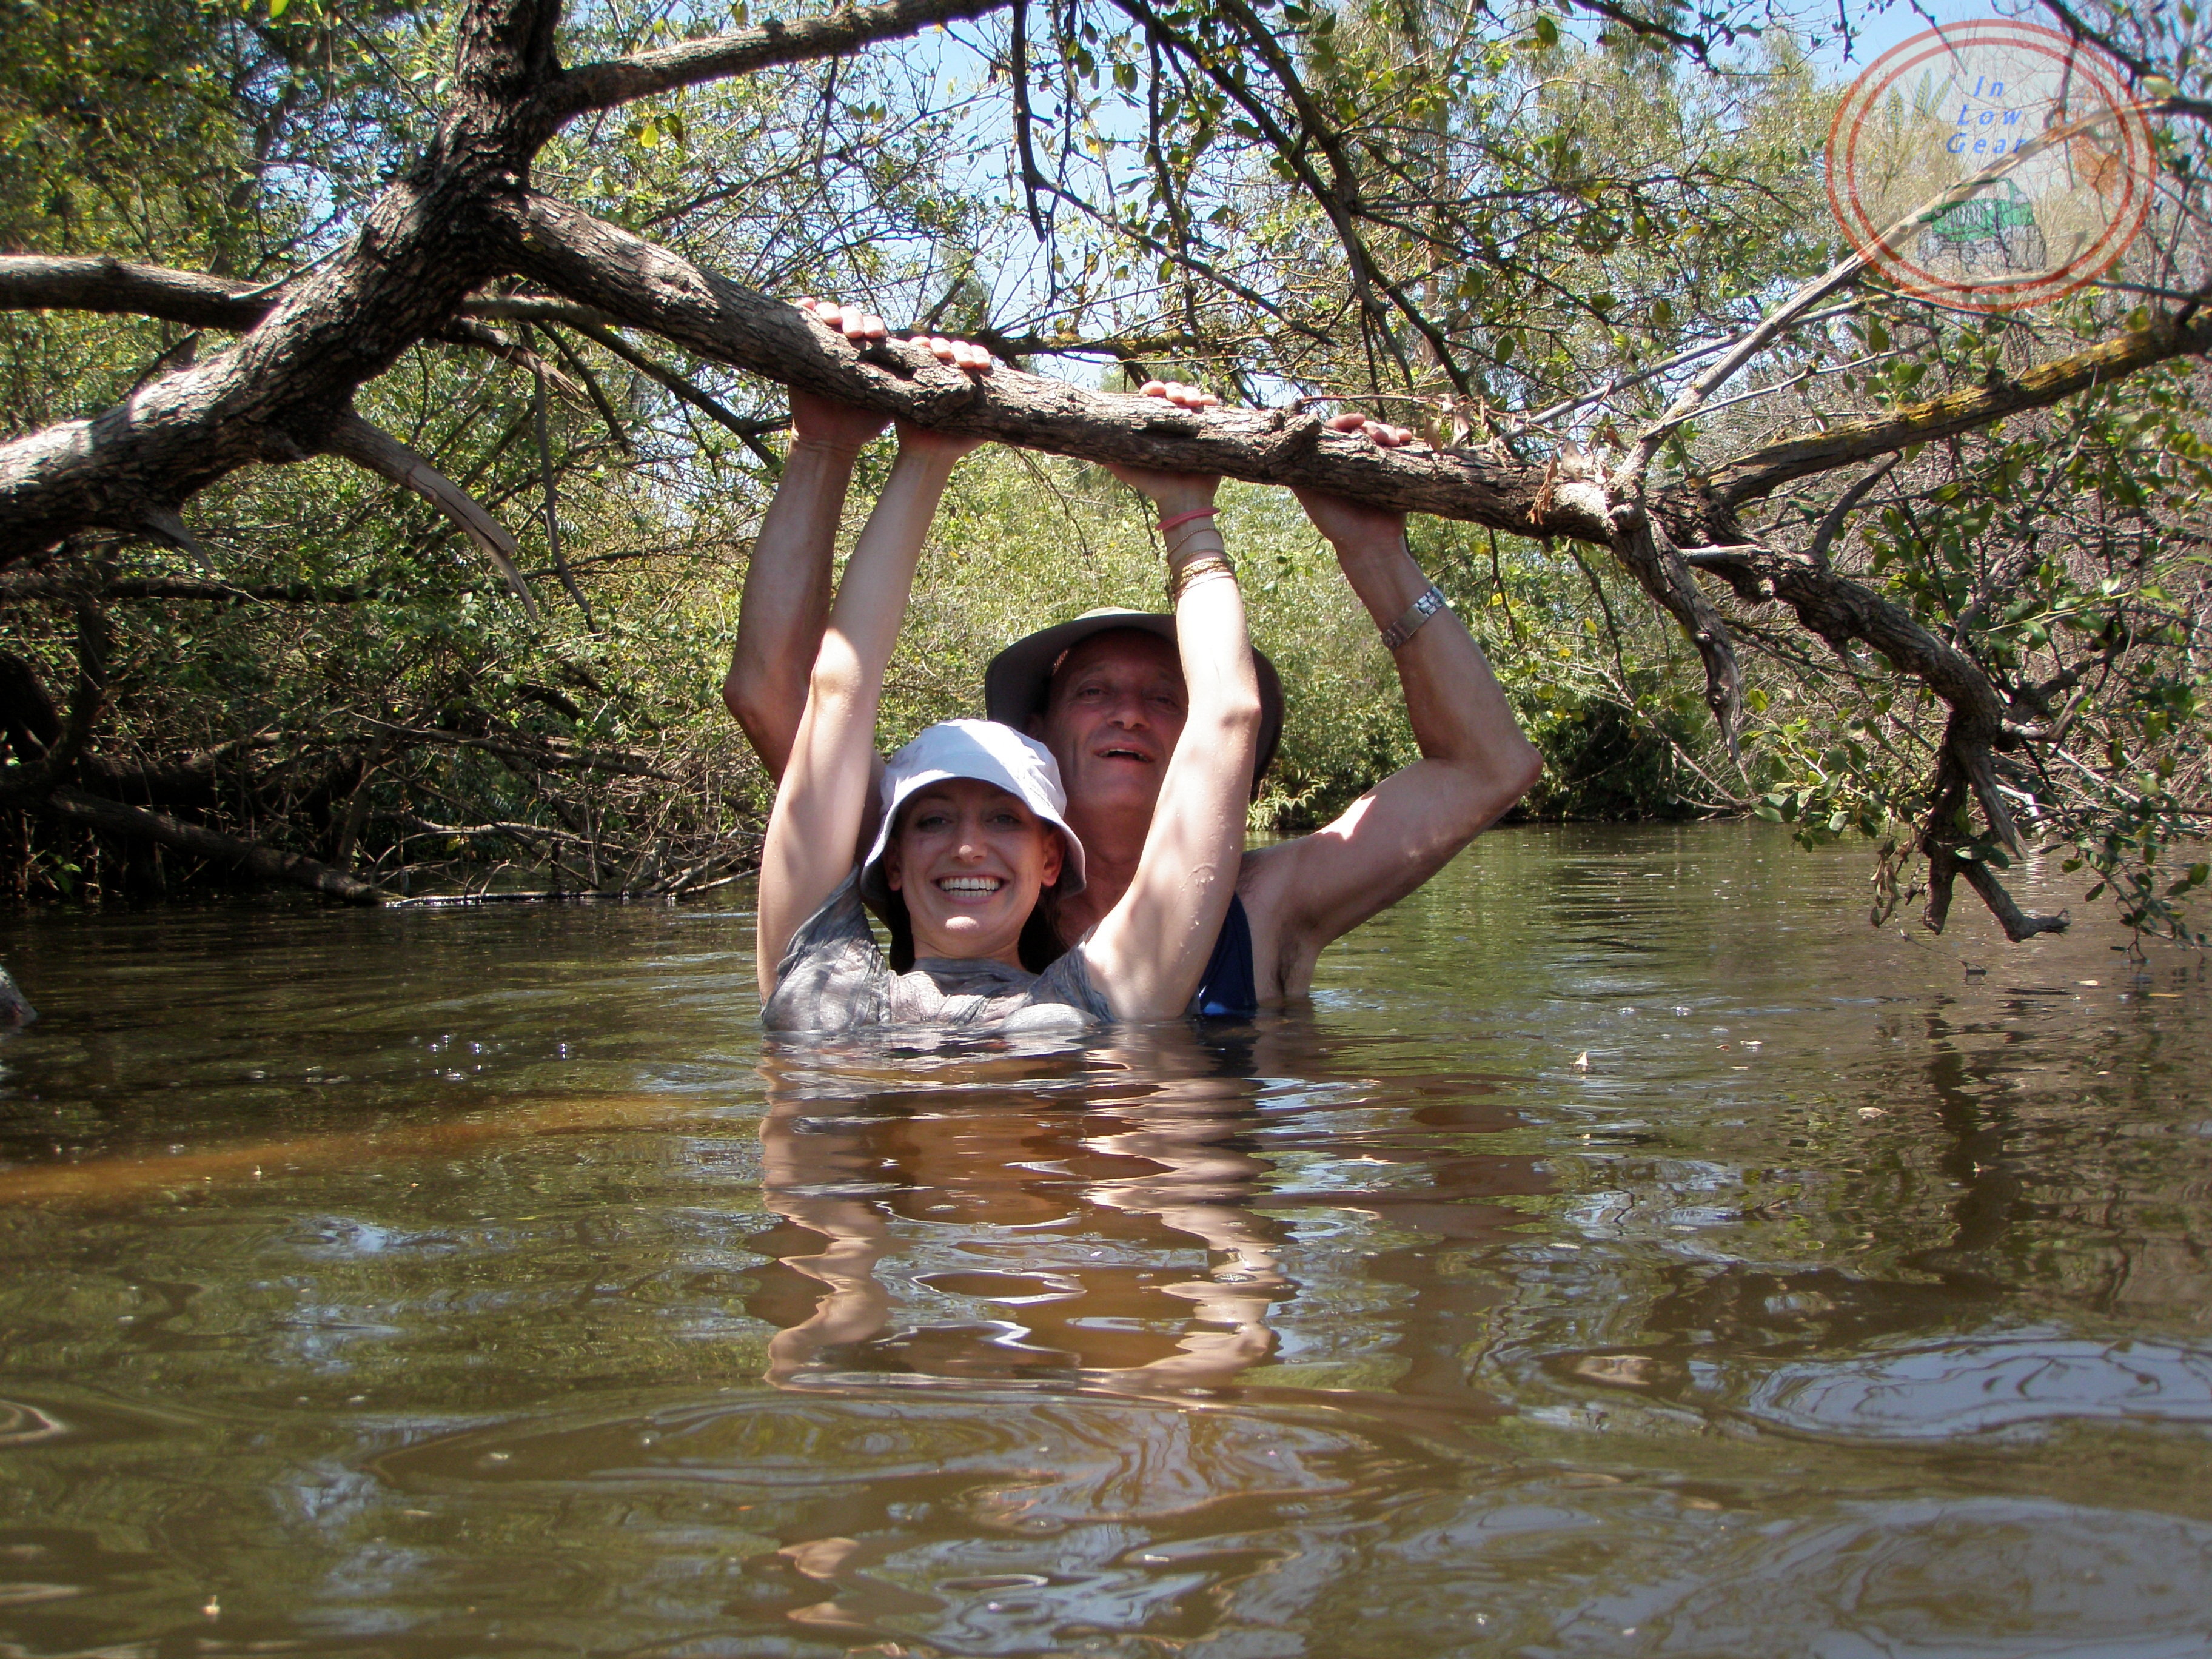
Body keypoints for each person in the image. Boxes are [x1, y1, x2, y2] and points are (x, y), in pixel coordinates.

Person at [731, 300, 1542, 1014]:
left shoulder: (1269, 903)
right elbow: (784, 697)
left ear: (1209, 751)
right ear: (1037, 733)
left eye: (1165, 696)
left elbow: (1489, 767)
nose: (1128, 710)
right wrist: (822, 447)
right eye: (1095, 691)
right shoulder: (944, 858)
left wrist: (1372, 549)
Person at [754, 414, 1262, 1034]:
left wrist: (1190, 515)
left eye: (1003, 818)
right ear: (893, 862)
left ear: (1051, 859)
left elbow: (1227, 716)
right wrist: (925, 454)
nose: (968, 845)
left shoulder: (1097, 1000)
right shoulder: (820, 985)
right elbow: (837, 688)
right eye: (934, 819)